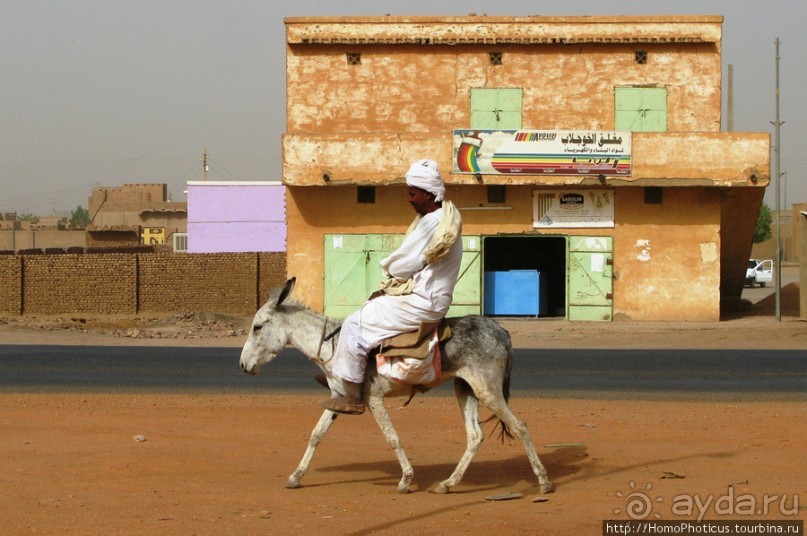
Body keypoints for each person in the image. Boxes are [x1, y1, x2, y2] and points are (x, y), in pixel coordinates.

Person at [322, 159, 464, 415]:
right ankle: (347, 376)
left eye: (412, 194)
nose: (409, 200)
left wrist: (389, 274)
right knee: (372, 306)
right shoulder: (444, 217)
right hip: (427, 296)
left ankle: (352, 395)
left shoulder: (433, 222)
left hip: (424, 301)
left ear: (428, 194)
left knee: (354, 325)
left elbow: (405, 263)